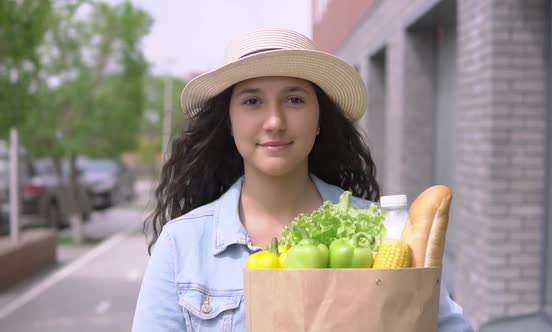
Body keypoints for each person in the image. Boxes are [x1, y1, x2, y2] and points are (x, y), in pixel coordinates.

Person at [132, 29, 473, 332]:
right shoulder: (182, 244)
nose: (275, 121)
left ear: (320, 118)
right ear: (229, 122)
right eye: (252, 101)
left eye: (294, 100)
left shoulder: (386, 232)